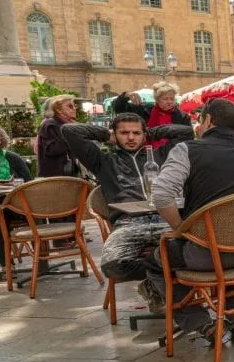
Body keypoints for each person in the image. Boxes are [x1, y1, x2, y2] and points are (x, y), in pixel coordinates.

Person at [144, 99, 234, 341]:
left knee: (157, 260)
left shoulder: (188, 150)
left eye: (199, 120)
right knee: (226, 239)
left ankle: (201, 323)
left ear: (208, 120)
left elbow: (161, 194)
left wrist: (180, 230)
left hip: (206, 256)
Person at [62, 113, 194, 296]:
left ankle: (155, 279)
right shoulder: (103, 161)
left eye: (136, 133)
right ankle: (157, 274)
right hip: (128, 223)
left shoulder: (161, 155)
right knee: (112, 266)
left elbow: (186, 132)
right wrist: (105, 135)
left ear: (144, 134)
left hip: (166, 219)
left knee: (197, 255)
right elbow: (69, 130)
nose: (131, 138)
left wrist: (151, 133)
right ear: (115, 134)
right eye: (124, 133)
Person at [0, 121, 32, 270]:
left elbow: (29, 182)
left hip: (18, 203)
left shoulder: (12, 157)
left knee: (37, 215)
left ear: (1, 140)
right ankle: (7, 266)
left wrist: (15, 183)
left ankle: (42, 263)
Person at [111, 83, 191, 148]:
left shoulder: (183, 116)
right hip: (145, 152)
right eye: (165, 99)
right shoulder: (145, 110)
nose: (169, 102)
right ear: (157, 99)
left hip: (172, 153)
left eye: (172, 99)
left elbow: (188, 138)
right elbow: (118, 108)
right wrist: (126, 95)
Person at [37, 95, 79, 177]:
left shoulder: (65, 125)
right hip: (55, 178)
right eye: (70, 106)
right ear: (58, 110)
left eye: (74, 105)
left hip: (67, 175)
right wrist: (71, 133)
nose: (74, 108)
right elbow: (52, 149)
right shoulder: (49, 125)